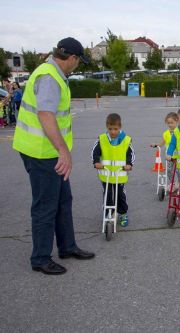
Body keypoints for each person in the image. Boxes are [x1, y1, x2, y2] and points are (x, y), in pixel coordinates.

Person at [12, 37, 95, 275]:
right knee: (46, 206)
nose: (77, 65)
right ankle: (40, 258)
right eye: (78, 61)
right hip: (41, 153)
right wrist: (63, 150)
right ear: (72, 58)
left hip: (49, 152)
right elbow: (46, 115)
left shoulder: (54, 73)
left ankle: (67, 246)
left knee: (63, 200)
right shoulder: (49, 76)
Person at [92, 113, 135, 227]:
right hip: (105, 174)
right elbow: (95, 152)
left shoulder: (126, 140)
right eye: (110, 129)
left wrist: (129, 164)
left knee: (120, 195)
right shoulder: (102, 139)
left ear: (120, 127)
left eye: (115, 129)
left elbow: (130, 154)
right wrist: (96, 162)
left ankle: (123, 213)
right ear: (107, 127)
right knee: (107, 194)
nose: (113, 132)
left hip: (119, 174)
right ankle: (108, 213)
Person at [151, 112, 180, 190]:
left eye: (172, 123)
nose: (170, 125)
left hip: (178, 155)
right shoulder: (166, 133)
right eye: (168, 123)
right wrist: (156, 145)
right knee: (169, 170)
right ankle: (172, 183)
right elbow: (162, 142)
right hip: (169, 156)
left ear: (177, 122)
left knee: (178, 171)